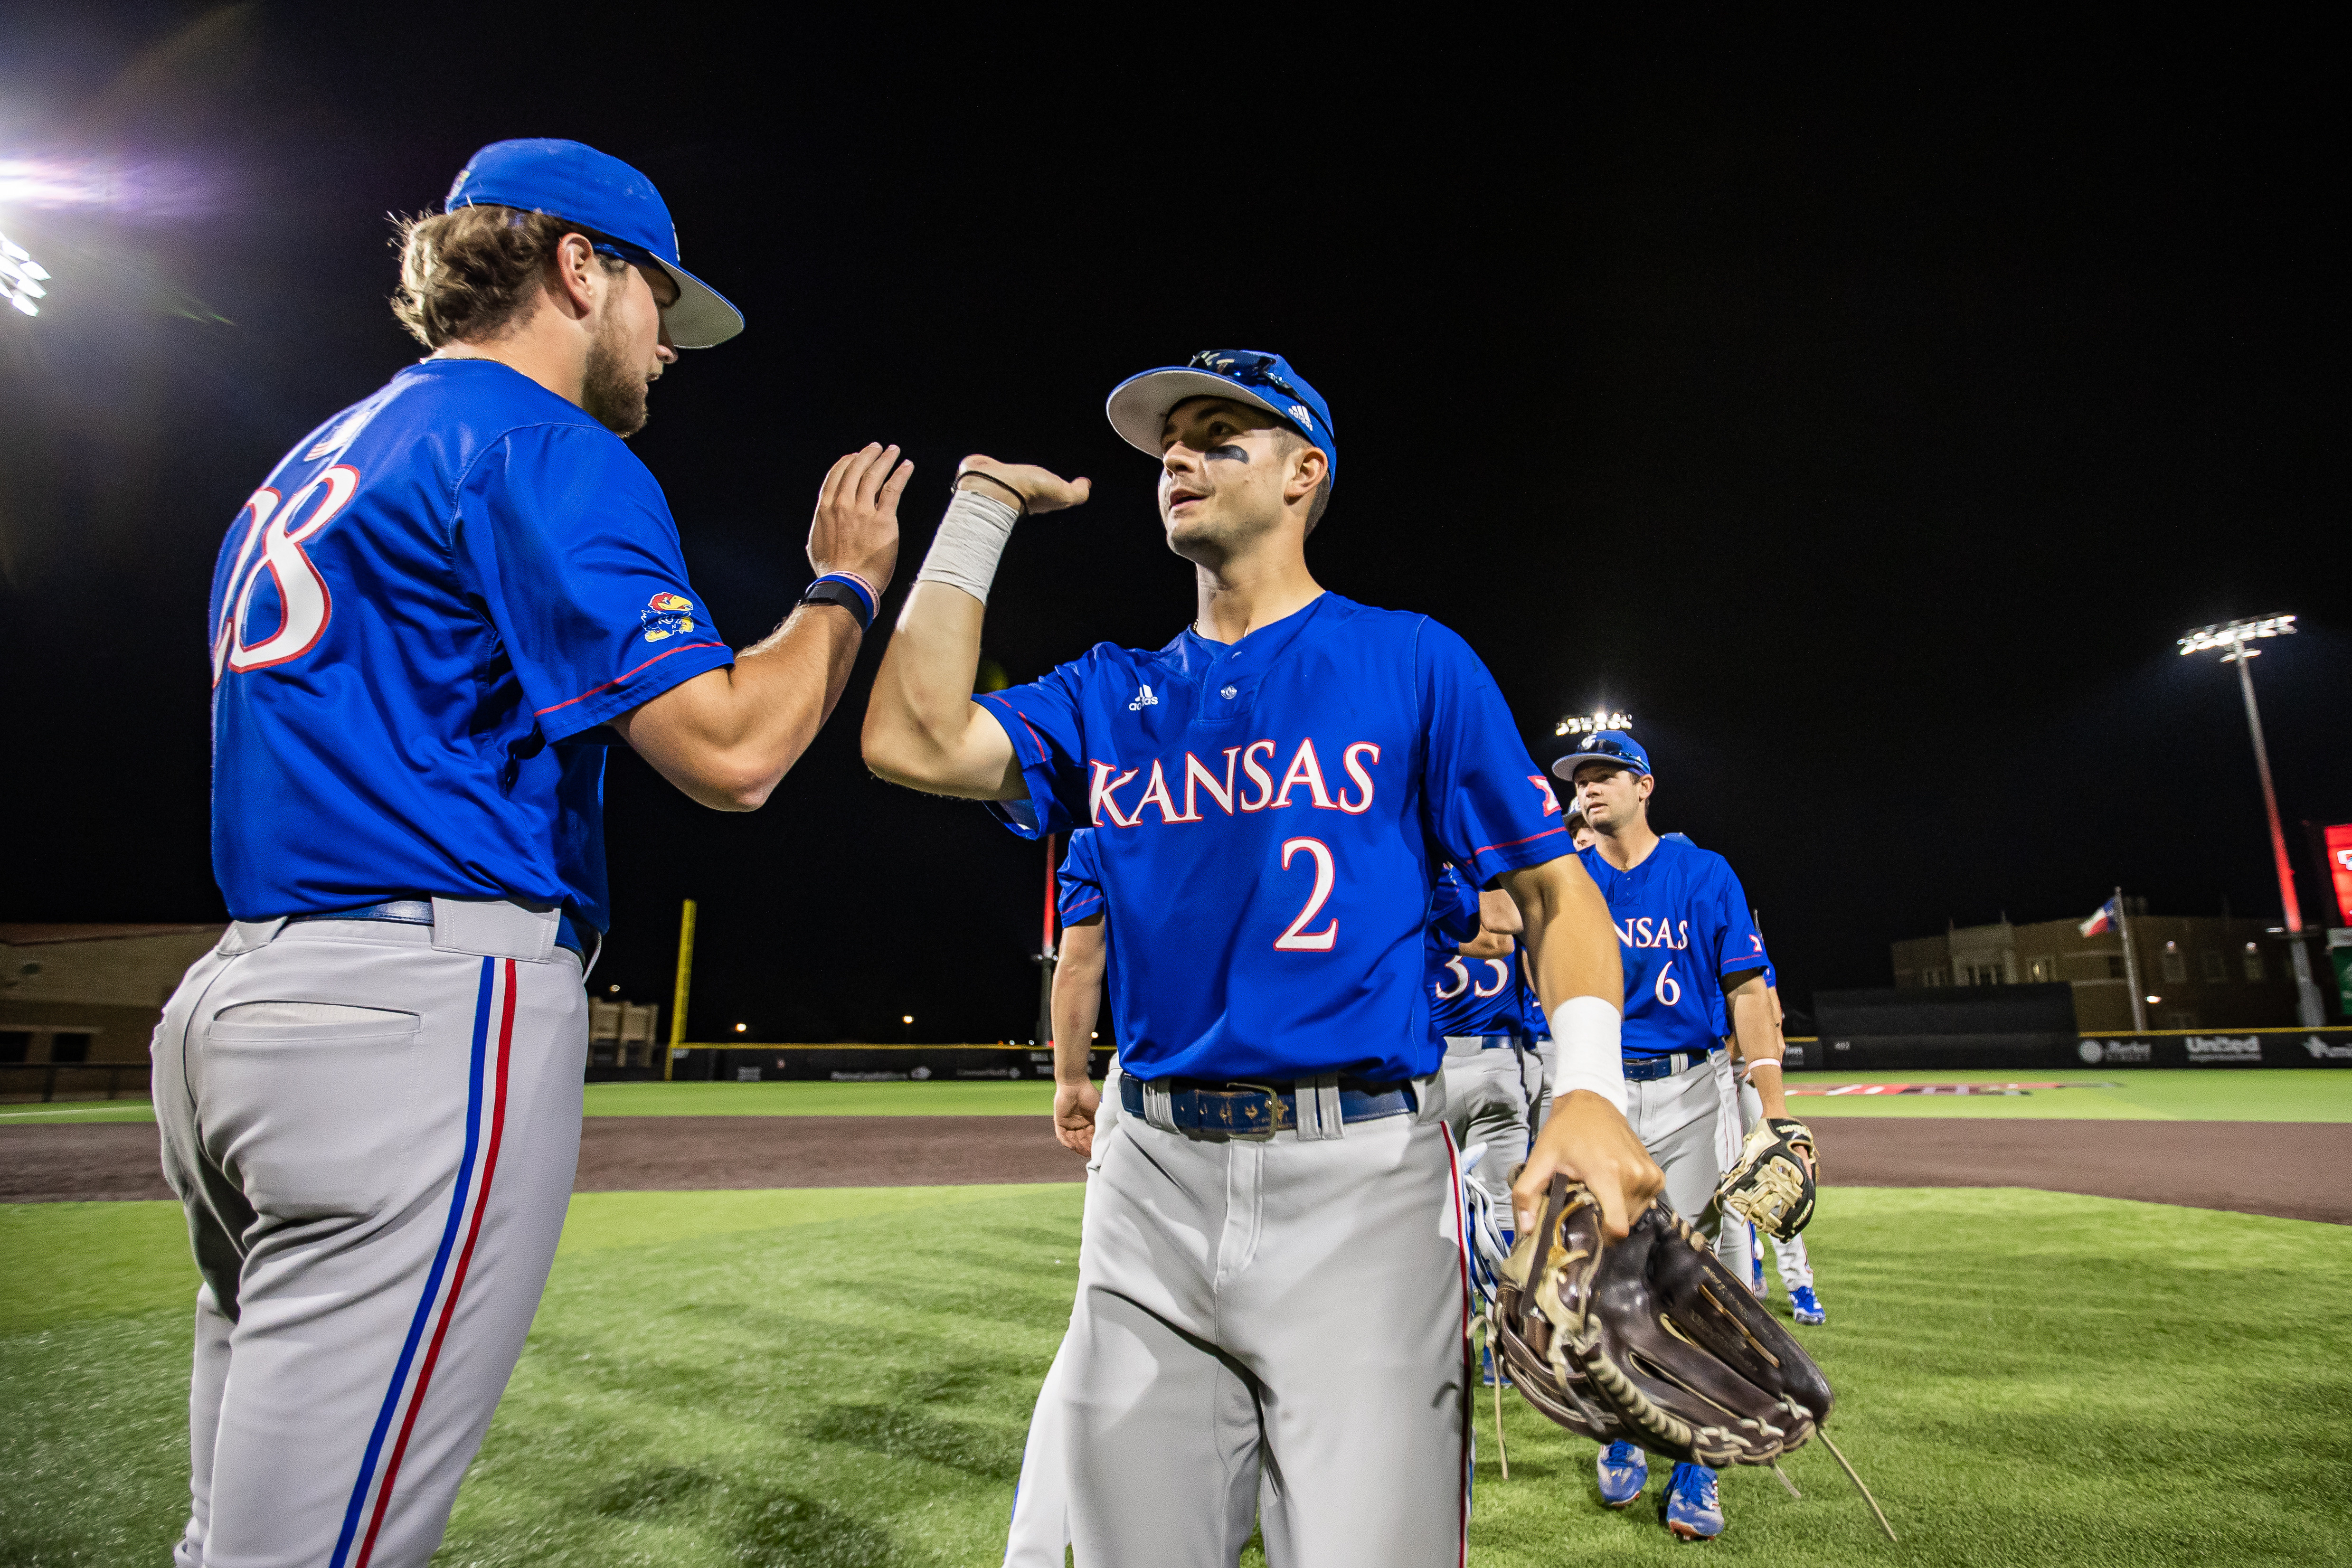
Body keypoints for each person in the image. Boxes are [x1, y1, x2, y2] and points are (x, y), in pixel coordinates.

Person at [153, 139, 905, 1568]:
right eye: (657, 305)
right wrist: (843, 587)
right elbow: (734, 748)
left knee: (238, 1537)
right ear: (579, 267)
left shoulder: (312, 456)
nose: (667, 350)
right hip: (419, 1012)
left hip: (232, 1013)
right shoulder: (541, 440)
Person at [861, 349, 1659, 1566]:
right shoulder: (1110, 689)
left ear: (1303, 473)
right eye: (1168, 441)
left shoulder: (1411, 660)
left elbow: (1556, 891)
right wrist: (980, 510)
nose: (1175, 456)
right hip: (1148, 1179)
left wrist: (1592, 1085)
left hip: (1361, 1176)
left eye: (1216, 433)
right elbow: (910, 737)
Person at [1551, 730, 1790, 1543]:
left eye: (1606, 774)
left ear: (1644, 784)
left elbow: (1747, 990)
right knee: (1607, 1276)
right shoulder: (1569, 875)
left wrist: (1773, 1111)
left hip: (1690, 1090)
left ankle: (1696, 1460)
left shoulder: (1701, 872)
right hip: (1601, 1088)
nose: (1589, 787)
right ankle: (1622, 1423)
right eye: (1580, 778)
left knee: (1690, 1283)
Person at [1737, 963, 1826, 1324]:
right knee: (1720, 1183)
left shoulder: (1742, 945)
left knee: (1778, 1177)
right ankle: (1749, 1260)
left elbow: (1771, 1013)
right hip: (1700, 1071)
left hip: (1745, 1068)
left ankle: (1799, 1286)